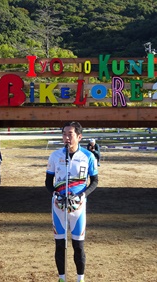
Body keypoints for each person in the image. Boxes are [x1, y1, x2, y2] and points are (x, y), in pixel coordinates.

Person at [45, 121, 99, 282]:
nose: (66, 137)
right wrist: (55, 194)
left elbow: (94, 181)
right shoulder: (55, 156)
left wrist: (83, 195)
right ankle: (62, 278)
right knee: (60, 244)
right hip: (59, 206)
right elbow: (48, 181)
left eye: (70, 134)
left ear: (79, 137)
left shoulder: (88, 156)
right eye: (64, 134)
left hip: (78, 207)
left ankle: (80, 278)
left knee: (78, 245)